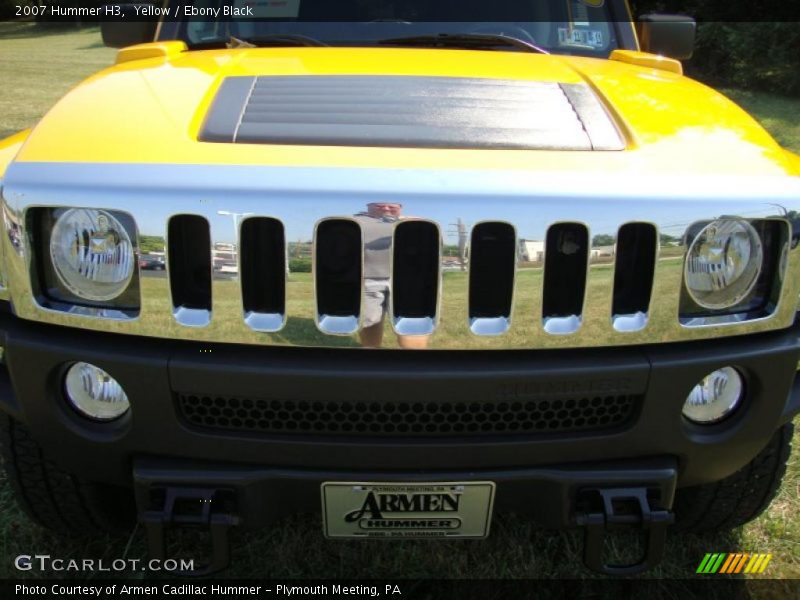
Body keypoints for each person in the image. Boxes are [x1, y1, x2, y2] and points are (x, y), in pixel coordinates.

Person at [353, 202, 430, 349]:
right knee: (369, 320)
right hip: (368, 279)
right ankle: (371, 356)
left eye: (391, 205)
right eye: (380, 205)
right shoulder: (354, 220)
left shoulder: (415, 222)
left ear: (400, 207)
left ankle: (415, 363)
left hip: (409, 280)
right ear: (368, 205)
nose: (386, 209)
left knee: (413, 319)